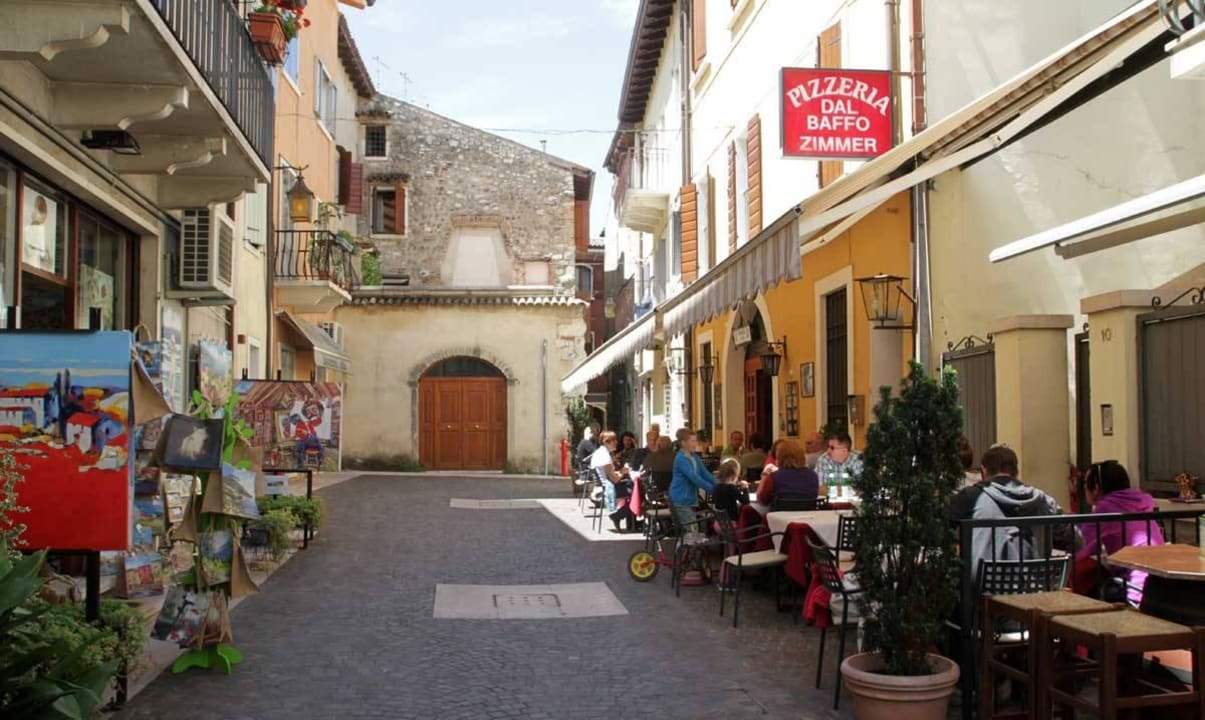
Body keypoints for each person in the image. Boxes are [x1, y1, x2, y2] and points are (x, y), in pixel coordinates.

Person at [949, 444, 1076, 575]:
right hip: (1033, 587)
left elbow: (939, 524)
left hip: (985, 587)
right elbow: (1076, 539)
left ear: (984, 470)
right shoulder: (1043, 501)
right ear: (1016, 471)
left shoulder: (972, 497)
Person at [1076, 461, 1164, 604]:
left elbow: (1080, 545)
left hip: (1134, 589)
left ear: (1096, 488)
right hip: (1158, 584)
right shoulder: (1140, 502)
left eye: (1085, 483)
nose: (1084, 487)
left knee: (1085, 576)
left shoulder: (1106, 508)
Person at [669, 430, 716, 530]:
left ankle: (684, 545)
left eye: (696, 441)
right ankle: (685, 545)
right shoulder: (681, 459)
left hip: (689, 499)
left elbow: (705, 474)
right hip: (681, 499)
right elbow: (694, 478)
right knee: (692, 530)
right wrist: (713, 489)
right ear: (683, 443)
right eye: (692, 441)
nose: (695, 444)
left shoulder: (694, 457)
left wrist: (719, 484)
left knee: (690, 531)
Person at [589, 431, 636, 532]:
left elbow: (611, 474)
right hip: (609, 487)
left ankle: (631, 523)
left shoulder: (600, 453)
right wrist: (623, 472)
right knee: (638, 492)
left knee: (633, 489)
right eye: (613, 441)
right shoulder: (605, 456)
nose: (616, 443)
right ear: (606, 442)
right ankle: (618, 516)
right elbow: (614, 479)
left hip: (604, 484)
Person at [757, 439, 822, 509]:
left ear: (779, 457)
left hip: (779, 517)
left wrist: (764, 477)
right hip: (807, 517)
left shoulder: (773, 477)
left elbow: (762, 500)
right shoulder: (813, 476)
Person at [815, 432, 863, 499]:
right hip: (830, 505)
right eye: (828, 446)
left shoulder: (859, 459)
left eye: (832, 448)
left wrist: (833, 489)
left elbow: (862, 489)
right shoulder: (824, 459)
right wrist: (848, 489)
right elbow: (819, 489)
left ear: (844, 451)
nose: (828, 450)